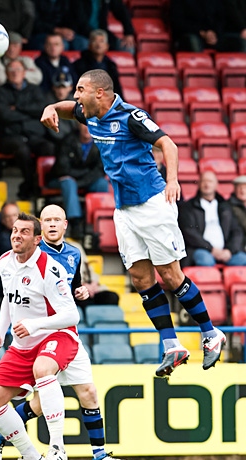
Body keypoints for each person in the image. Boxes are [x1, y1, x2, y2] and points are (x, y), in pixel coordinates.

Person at [40, 68, 226, 377]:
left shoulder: (131, 117)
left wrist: (172, 180)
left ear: (100, 92)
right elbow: (65, 108)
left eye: (80, 90)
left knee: (170, 275)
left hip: (153, 203)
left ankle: (210, 334)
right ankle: (172, 346)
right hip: (124, 209)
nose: (76, 96)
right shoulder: (89, 113)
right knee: (141, 280)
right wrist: (49, 108)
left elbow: (169, 144)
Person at [0, 204, 129, 460]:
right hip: (41, 335)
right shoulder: (25, 255)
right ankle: (40, 449)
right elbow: (10, 297)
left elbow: (70, 295)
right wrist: (0, 333)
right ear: (41, 228)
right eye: (47, 219)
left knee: (87, 391)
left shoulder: (73, 253)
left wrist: (82, 292)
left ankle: (96, 454)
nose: (51, 224)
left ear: (65, 224)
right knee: (39, 399)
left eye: (56, 220)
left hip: (62, 332)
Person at [0, 212, 80, 460]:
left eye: (24, 231)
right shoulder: (4, 262)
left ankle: (57, 448)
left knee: (43, 369)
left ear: (37, 239)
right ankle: (31, 459)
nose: (17, 235)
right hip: (22, 344)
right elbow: (8, 299)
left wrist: (35, 325)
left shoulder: (49, 268)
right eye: (15, 230)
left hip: (57, 335)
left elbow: (72, 315)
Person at [0, 59, 55, 200]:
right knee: (22, 150)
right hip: (10, 137)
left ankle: (43, 184)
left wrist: (18, 108)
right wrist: (29, 114)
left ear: (25, 72)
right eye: (11, 71)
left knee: (49, 147)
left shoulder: (35, 90)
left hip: (34, 135)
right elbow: (4, 115)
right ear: (6, 74)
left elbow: (42, 109)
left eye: (18, 70)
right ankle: (31, 184)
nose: (15, 73)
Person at [47, 122, 110, 239]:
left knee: (102, 183)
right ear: (79, 127)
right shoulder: (67, 141)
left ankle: (97, 224)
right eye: (85, 126)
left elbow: (99, 171)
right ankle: (75, 223)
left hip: (83, 181)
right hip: (60, 180)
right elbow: (63, 169)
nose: (87, 129)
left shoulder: (101, 144)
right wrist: (84, 176)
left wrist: (80, 181)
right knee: (69, 183)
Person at [179, 171, 246, 267]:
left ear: (216, 185)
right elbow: (189, 233)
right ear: (198, 184)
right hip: (202, 250)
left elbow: (237, 231)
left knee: (243, 259)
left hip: (225, 251)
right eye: (204, 181)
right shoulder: (189, 207)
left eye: (210, 181)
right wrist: (211, 249)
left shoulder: (225, 206)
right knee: (206, 261)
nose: (207, 184)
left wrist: (229, 250)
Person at [73, 29, 123, 98]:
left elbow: (117, 89)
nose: (98, 44)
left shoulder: (111, 65)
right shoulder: (79, 65)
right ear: (89, 45)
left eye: (101, 41)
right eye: (95, 41)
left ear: (107, 46)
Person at [229, 175, 246, 246]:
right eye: (240, 187)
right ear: (235, 189)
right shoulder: (229, 206)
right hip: (239, 244)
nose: (242, 191)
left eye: (245, 187)